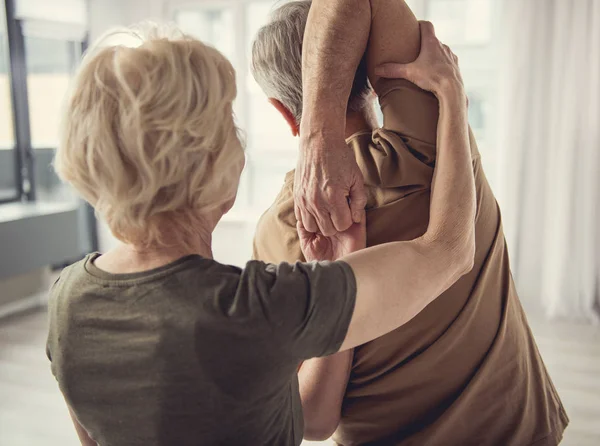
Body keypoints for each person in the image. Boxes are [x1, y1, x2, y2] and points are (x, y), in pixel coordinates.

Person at [46, 22, 475, 446]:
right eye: (228, 122)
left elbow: (313, 419)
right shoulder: (258, 306)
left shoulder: (67, 299)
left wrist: (335, 266)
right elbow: (450, 252)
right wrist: (453, 97)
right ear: (213, 163)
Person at [251, 1, 569, 445]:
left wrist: (314, 134)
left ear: (283, 113)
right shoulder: (433, 134)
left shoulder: (279, 232)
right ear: (367, 72)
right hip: (521, 431)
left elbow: (311, 418)